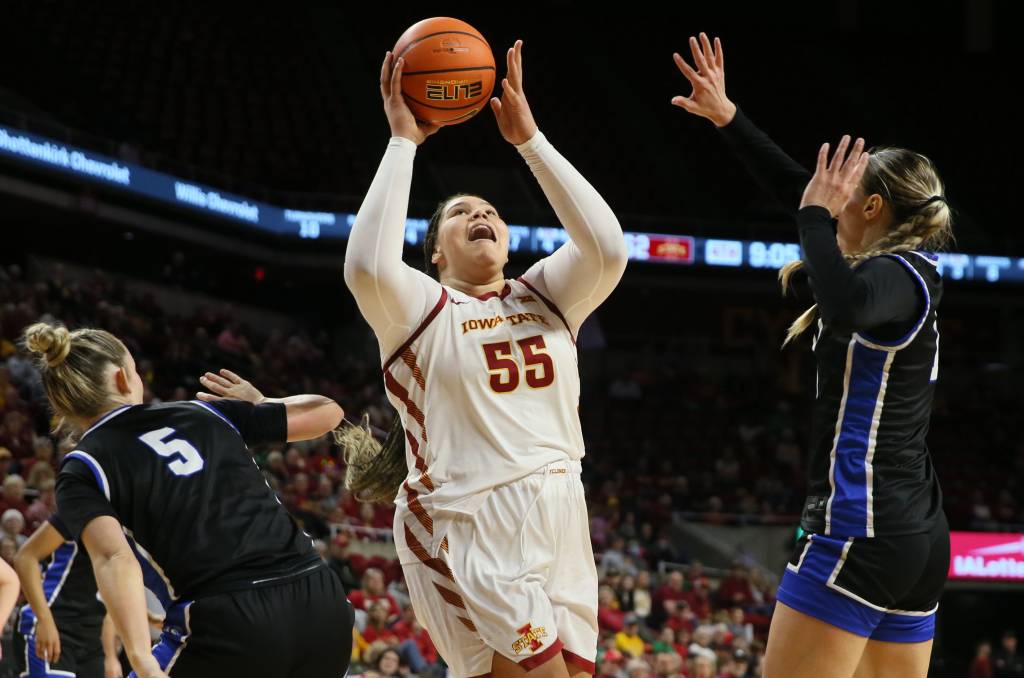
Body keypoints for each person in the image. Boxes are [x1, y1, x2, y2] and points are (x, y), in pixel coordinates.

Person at [341, 38, 627, 678]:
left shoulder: (546, 297)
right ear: (436, 253)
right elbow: (366, 264)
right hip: (470, 516)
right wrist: (402, 144)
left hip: (561, 507)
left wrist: (531, 142)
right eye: (461, 212)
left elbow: (607, 249)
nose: (481, 215)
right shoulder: (421, 310)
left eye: (491, 211)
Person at [673, 33, 952, 678]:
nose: (829, 198)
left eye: (845, 191)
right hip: (911, 535)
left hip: (861, 526)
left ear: (874, 207)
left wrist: (813, 223)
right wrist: (728, 117)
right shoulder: (906, 271)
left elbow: (844, 296)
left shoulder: (897, 277)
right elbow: (800, 195)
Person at [24, 322, 352, 678]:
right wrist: (261, 403)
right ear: (122, 378)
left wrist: (140, 658)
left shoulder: (84, 465)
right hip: (321, 600)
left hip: (230, 618)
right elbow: (329, 412)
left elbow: (113, 558)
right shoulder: (205, 412)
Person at [12, 514, 118, 677]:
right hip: (52, 623)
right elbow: (24, 558)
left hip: (92, 638)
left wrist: (110, 656)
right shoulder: (81, 508)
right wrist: (44, 620)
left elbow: (110, 597)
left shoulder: (127, 527)